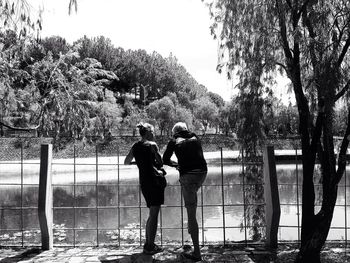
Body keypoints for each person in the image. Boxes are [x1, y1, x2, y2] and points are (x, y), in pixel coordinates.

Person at [162, 122, 207, 262]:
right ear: (186, 130)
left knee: (191, 214)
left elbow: (165, 159)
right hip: (202, 173)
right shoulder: (195, 137)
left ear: (175, 132)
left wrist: (176, 165)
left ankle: (197, 253)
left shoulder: (174, 141)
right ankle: (191, 227)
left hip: (187, 175)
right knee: (192, 202)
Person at [124, 123, 166, 255]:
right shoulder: (152, 145)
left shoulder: (135, 146)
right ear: (148, 133)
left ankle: (149, 244)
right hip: (155, 181)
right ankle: (149, 247)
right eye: (153, 132)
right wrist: (152, 162)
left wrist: (140, 162)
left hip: (144, 182)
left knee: (151, 214)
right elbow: (160, 162)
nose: (154, 135)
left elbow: (126, 161)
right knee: (154, 215)